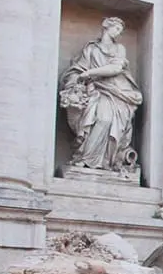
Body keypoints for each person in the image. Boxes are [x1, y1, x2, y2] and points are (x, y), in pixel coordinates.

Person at [59, 16, 143, 174]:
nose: (118, 33)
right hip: (95, 89)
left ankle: (101, 161)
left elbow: (116, 69)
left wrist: (89, 73)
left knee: (106, 119)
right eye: (116, 29)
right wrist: (76, 80)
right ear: (106, 26)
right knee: (95, 116)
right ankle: (85, 158)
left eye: (120, 31)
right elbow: (77, 69)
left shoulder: (119, 49)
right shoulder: (91, 49)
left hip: (116, 91)